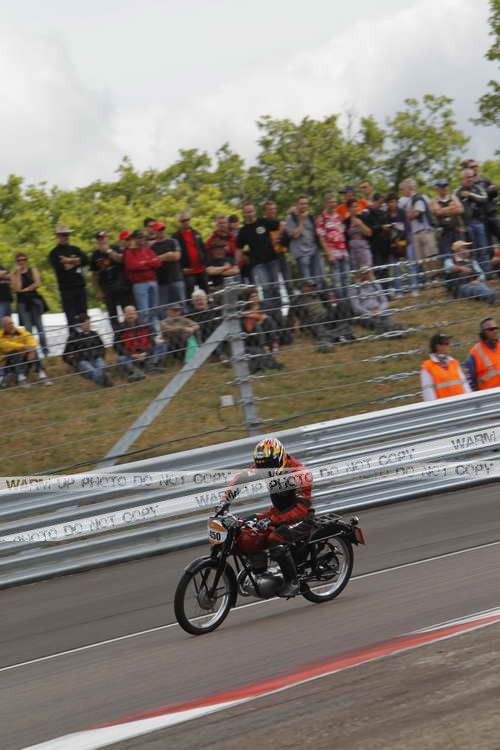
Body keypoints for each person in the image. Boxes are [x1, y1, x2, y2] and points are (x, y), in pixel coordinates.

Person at [225, 438, 314, 597]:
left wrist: (271, 520)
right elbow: (242, 478)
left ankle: (293, 582)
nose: (265, 469)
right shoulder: (264, 466)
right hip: (278, 513)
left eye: (268, 464)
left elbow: (301, 508)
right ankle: (258, 568)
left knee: (275, 538)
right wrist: (225, 501)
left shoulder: (299, 473)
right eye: (261, 465)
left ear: (279, 458)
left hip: (301, 517)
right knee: (246, 526)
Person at [236, 204, 280, 304]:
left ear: (255, 212)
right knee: (265, 287)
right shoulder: (243, 231)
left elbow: (281, 224)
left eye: (251, 211)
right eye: (247, 212)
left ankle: (278, 310)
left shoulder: (263, 221)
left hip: (272, 259)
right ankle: (269, 309)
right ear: (243, 214)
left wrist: (276, 238)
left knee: (276, 286)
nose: (249, 214)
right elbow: (239, 248)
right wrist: (236, 264)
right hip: (257, 263)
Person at [48, 224, 89, 326]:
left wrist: (68, 260)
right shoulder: (54, 253)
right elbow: (62, 267)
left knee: (84, 317)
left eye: (66, 234)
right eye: (62, 235)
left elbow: (86, 260)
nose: (65, 237)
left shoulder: (75, 249)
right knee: (71, 319)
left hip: (80, 287)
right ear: (58, 236)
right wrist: (76, 261)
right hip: (66, 289)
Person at [90, 231, 132, 329]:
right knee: (112, 315)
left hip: (120, 285)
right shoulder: (95, 255)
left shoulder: (115, 248)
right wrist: (98, 291)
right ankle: (117, 335)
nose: (102, 240)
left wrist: (108, 251)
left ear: (107, 238)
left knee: (127, 310)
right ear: (97, 241)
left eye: (104, 237)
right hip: (107, 287)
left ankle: (129, 331)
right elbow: (94, 275)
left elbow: (121, 260)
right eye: (100, 238)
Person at [11, 252, 49, 357]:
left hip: (34, 301)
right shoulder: (14, 274)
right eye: (19, 260)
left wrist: (25, 290)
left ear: (27, 260)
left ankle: (45, 351)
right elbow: (17, 288)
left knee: (40, 327)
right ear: (16, 262)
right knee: (28, 330)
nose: (22, 262)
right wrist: (18, 273)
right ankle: (33, 354)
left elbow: (37, 283)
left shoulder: (33, 270)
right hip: (22, 304)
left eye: (24, 259)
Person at [123, 229, 163, 326]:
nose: (142, 239)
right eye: (139, 238)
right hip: (139, 284)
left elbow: (158, 262)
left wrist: (143, 262)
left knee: (155, 309)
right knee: (144, 311)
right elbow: (132, 266)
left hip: (153, 281)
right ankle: (147, 332)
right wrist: (149, 262)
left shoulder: (148, 250)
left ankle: (156, 331)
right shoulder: (129, 252)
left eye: (143, 237)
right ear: (134, 239)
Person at [455, 169, 491, 274]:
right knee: (472, 250)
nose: (470, 179)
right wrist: (460, 225)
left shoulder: (477, 188)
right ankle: (476, 274)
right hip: (467, 225)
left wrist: (470, 195)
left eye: (471, 177)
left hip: (479, 222)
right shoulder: (457, 191)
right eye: (467, 177)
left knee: (483, 248)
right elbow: (455, 209)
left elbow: (484, 198)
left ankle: (487, 273)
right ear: (462, 179)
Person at [315, 193, 350, 303]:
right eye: (331, 202)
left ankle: (348, 304)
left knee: (346, 279)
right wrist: (329, 254)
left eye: (335, 202)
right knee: (337, 281)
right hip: (333, 254)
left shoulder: (339, 216)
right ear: (325, 203)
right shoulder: (321, 219)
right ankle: (341, 305)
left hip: (343, 252)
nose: (333, 204)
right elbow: (321, 238)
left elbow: (342, 233)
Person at [62, 313, 112, 387]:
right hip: (82, 361)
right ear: (80, 324)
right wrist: (75, 363)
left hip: (96, 358)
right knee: (91, 370)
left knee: (102, 367)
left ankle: (103, 380)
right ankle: (104, 381)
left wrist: (100, 356)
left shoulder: (94, 334)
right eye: (87, 323)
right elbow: (65, 355)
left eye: (89, 323)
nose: (89, 325)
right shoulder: (73, 337)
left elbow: (102, 347)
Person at [114, 305, 163, 380]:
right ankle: (136, 372)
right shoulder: (119, 328)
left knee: (162, 346)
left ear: (136, 313)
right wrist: (131, 355)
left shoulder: (145, 325)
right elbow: (117, 346)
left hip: (146, 353)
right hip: (131, 356)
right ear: (124, 315)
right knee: (121, 358)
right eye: (128, 314)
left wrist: (146, 353)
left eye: (132, 313)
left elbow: (152, 341)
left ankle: (151, 365)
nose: (130, 316)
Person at [0, 315, 51, 387]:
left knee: (34, 351)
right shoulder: (1, 335)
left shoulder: (20, 331)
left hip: (21, 360)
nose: (11, 325)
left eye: (12, 323)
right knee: (14, 352)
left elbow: (30, 338)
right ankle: (21, 379)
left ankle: (42, 375)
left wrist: (31, 350)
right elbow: (6, 345)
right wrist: (23, 346)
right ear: (4, 326)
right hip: (7, 364)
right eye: (8, 324)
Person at [285, 196, 324, 287]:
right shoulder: (290, 218)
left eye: (306, 204)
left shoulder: (310, 216)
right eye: (301, 204)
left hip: (313, 249)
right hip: (301, 252)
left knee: (318, 278)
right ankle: (310, 294)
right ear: (296, 205)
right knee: (308, 281)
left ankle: (319, 294)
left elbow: (315, 233)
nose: (304, 206)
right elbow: (295, 235)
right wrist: (302, 220)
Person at [420, 333, 470, 401]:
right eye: (446, 343)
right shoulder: (427, 367)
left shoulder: (454, 362)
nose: (448, 345)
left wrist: (469, 400)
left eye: (448, 343)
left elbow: (465, 385)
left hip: (461, 403)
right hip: (444, 406)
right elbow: (428, 392)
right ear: (437, 346)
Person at [348, 267, 399, 333]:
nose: (366, 278)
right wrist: (370, 313)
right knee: (370, 321)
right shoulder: (353, 289)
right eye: (364, 276)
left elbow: (384, 301)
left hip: (379, 310)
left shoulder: (376, 285)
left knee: (386, 316)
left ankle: (391, 328)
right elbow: (356, 307)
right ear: (359, 277)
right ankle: (389, 329)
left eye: (368, 275)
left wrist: (379, 310)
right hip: (364, 314)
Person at [149, 222, 185, 313]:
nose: (161, 231)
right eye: (159, 230)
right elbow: (153, 261)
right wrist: (167, 255)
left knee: (181, 306)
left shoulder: (172, 241)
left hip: (176, 278)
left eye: (162, 229)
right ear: (154, 231)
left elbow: (177, 256)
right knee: (162, 309)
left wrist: (160, 257)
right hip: (161, 281)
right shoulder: (152, 246)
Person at [172, 211, 209, 296]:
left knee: (206, 294)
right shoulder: (175, 236)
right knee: (189, 295)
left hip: (201, 269)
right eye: (183, 221)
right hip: (188, 272)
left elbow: (203, 249)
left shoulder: (195, 233)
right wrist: (181, 268)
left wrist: (205, 263)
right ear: (179, 222)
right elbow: (176, 255)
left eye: (187, 220)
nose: (186, 222)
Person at [464, 317, 500, 391]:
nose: (495, 331)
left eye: (496, 328)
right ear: (483, 333)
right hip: (489, 395)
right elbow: (471, 382)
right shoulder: (475, 352)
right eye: (491, 329)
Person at [430, 179, 464, 255]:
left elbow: (460, 209)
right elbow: (438, 212)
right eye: (442, 186)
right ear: (437, 188)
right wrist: (451, 207)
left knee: (460, 255)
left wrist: (444, 210)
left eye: (445, 186)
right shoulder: (434, 201)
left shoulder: (453, 197)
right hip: (444, 233)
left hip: (456, 231)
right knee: (447, 256)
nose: (444, 188)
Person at [344, 199, 373, 270]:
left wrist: (360, 224)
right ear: (348, 208)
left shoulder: (362, 217)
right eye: (353, 207)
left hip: (362, 247)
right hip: (352, 249)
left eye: (356, 206)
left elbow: (369, 233)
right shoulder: (346, 221)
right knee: (356, 272)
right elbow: (345, 237)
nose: (355, 208)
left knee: (367, 271)